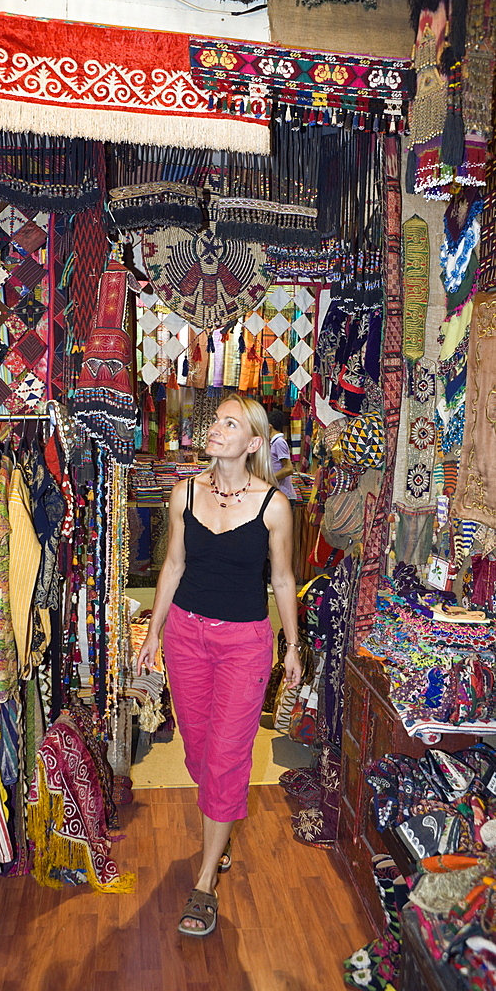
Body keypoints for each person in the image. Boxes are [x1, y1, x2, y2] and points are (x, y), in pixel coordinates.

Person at [137, 393, 301, 937]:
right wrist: (154, 632)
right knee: (199, 751)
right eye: (216, 420)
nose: (215, 428)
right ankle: (220, 830)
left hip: (244, 645)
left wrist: (293, 647)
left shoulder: (273, 505)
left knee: (229, 757)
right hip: (186, 636)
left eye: (229, 423)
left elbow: (281, 580)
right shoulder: (184, 493)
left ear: (253, 441)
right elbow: (173, 565)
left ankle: (205, 881)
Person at [267, 408, 297, 501]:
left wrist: (268, 479)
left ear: (269, 426)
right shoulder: (274, 442)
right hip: (279, 493)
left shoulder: (279, 442)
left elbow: (288, 469)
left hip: (284, 495)